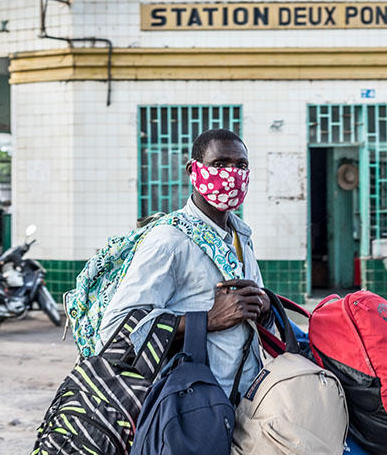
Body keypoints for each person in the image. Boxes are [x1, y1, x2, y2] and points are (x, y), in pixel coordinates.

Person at [97, 128, 270, 397]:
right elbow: (115, 330)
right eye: (220, 164)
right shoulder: (170, 240)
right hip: (193, 406)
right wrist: (208, 319)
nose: (231, 174)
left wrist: (264, 305)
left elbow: (248, 318)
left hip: (243, 398)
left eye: (241, 165)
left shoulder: (241, 236)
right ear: (193, 170)